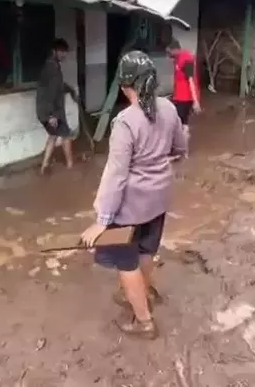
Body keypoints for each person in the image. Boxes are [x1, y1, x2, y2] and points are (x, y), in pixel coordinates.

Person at [80, 51, 188, 339]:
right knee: (146, 251)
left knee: (126, 263)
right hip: (159, 199)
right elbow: (180, 148)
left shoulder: (125, 122)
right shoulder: (169, 108)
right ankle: (144, 291)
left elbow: (116, 175)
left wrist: (102, 219)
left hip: (129, 208)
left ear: (126, 86)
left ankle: (143, 322)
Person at [36, 38, 77, 174]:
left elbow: (58, 86)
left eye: (65, 52)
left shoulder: (52, 66)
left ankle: (44, 167)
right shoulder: (52, 68)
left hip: (45, 112)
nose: (64, 55)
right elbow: (51, 92)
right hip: (52, 113)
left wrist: (71, 90)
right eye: (61, 52)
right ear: (54, 51)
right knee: (66, 135)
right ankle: (71, 167)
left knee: (53, 136)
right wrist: (51, 115)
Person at [166, 38, 201, 145]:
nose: (168, 54)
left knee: (181, 124)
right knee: (182, 123)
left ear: (175, 49)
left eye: (169, 52)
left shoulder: (186, 59)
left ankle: (182, 149)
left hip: (185, 99)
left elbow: (191, 81)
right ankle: (182, 149)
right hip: (179, 97)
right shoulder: (178, 58)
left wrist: (195, 101)